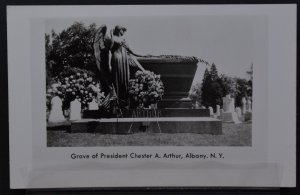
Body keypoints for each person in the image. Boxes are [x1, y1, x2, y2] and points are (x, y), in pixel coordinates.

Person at [109, 25, 145, 109]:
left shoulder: (123, 40)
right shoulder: (113, 38)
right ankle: (117, 103)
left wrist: (142, 55)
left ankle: (124, 102)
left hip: (124, 60)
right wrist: (111, 37)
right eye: (123, 30)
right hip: (117, 59)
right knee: (117, 78)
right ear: (119, 30)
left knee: (125, 79)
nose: (123, 32)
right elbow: (110, 49)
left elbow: (131, 51)